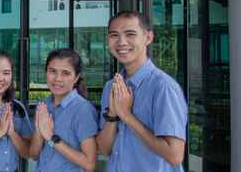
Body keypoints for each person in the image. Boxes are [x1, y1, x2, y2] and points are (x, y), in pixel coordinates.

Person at [96, 11, 187, 172]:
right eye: (114, 35)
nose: (121, 42)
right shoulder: (111, 86)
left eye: (130, 34)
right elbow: (105, 149)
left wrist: (127, 116)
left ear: (148, 37)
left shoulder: (164, 87)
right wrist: (112, 116)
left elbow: (175, 155)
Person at [29, 48, 98, 172]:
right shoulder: (43, 105)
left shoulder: (83, 110)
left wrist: (51, 137)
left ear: (76, 77)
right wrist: (40, 133)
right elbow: (34, 155)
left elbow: (89, 164)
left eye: (65, 73)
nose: (57, 78)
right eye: (52, 71)